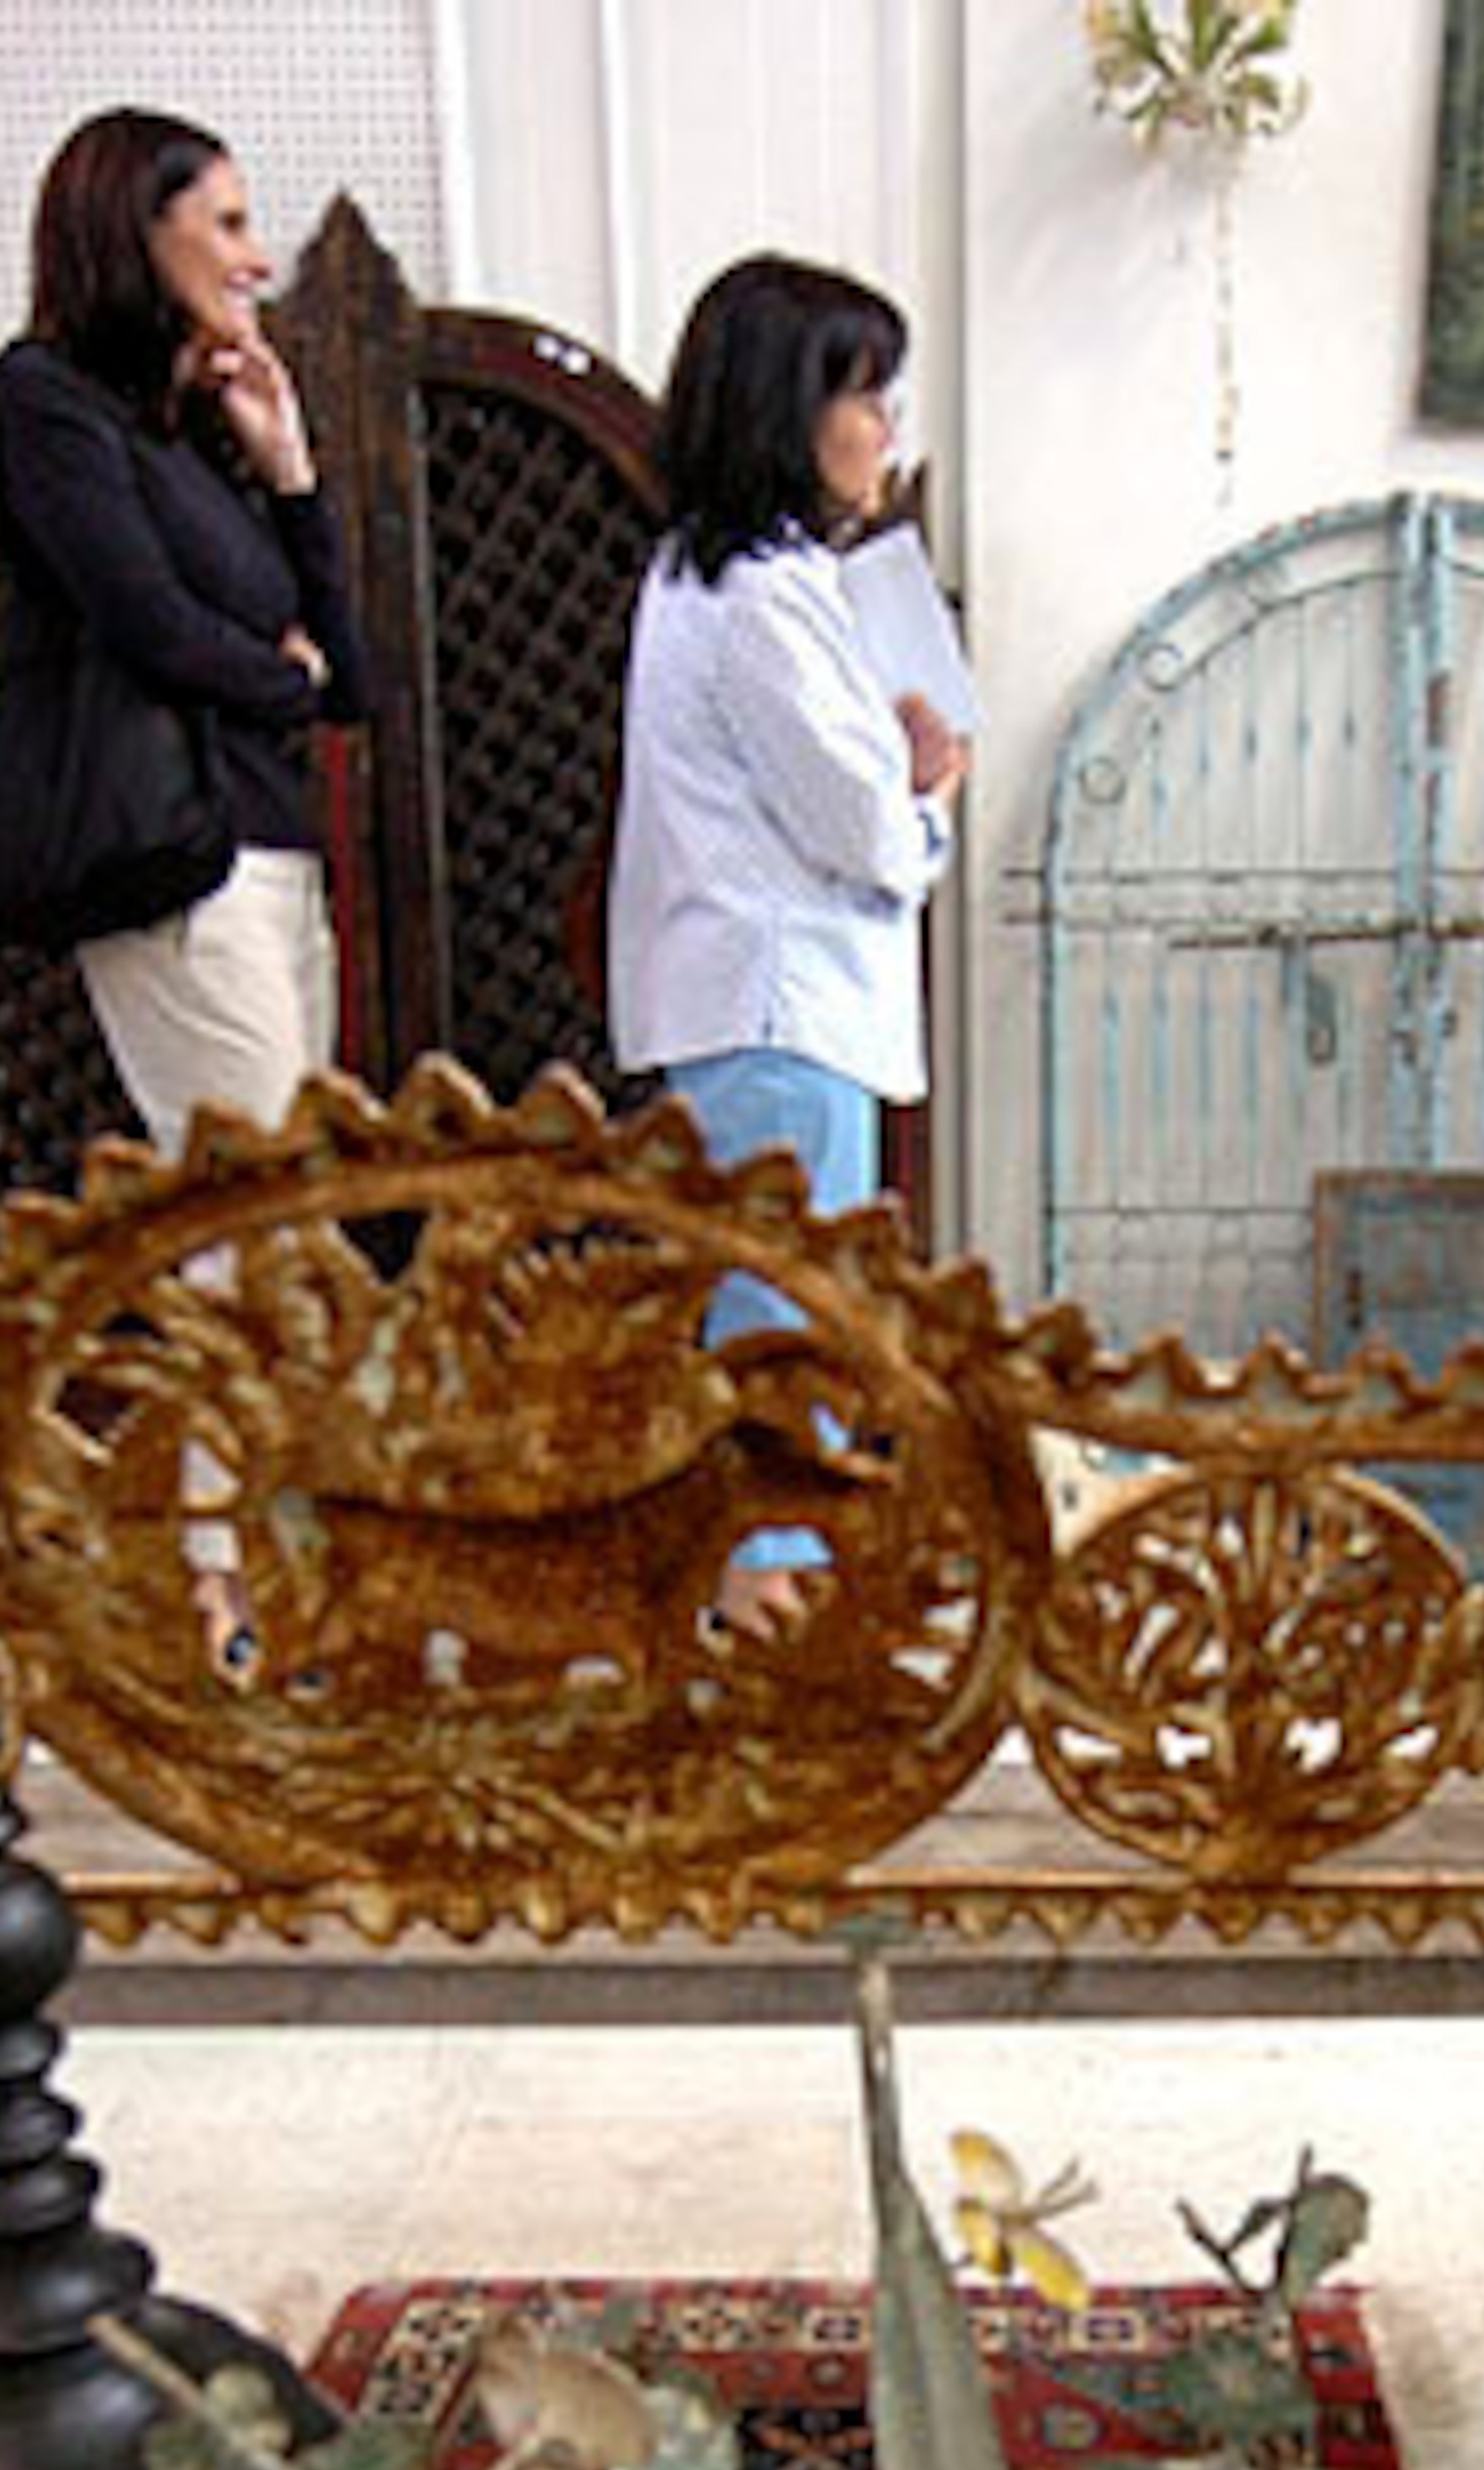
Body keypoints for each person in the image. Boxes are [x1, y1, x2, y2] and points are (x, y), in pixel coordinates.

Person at [0, 107, 372, 1677]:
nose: (255, 257)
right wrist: (271, 671)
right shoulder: (42, 405)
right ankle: (224, 1587)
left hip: (270, 862)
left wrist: (288, 472)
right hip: (174, 872)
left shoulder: (189, 427)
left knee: (285, 1224)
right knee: (248, 1232)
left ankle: (267, 1553)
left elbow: (340, 674)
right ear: (132, 232)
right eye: (225, 224)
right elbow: (143, 624)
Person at [607, 252, 968, 1640]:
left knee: (769, 1305)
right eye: (865, 393)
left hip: (754, 1007)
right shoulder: (761, 593)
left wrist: (889, 771)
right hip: (783, 1007)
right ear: (789, 409)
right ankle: (766, 1600)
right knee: (779, 1318)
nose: (883, 426)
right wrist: (925, 786)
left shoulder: (708, 578)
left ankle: (770, 1579)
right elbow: (865, 838)